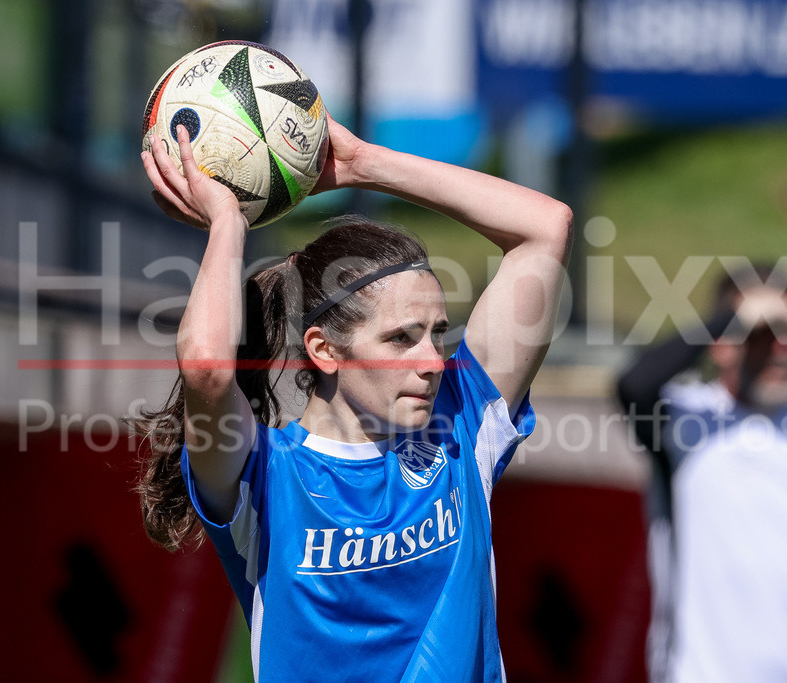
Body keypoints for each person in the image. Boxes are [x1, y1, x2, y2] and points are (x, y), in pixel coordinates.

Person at [134, 116, 573, 681]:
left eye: (437, 332)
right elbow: (207, 369)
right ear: (323, 349)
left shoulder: (464, 422)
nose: (433, 360)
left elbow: (546, 226)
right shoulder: (266, 473)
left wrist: (363, 164)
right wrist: (228, 223)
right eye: (400, 338)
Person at [616, 265, 787, 682]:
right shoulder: (687, 419)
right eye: (766, 332)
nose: (783, 348)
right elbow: (633, 384)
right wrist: (734, 316)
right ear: (722, 345)